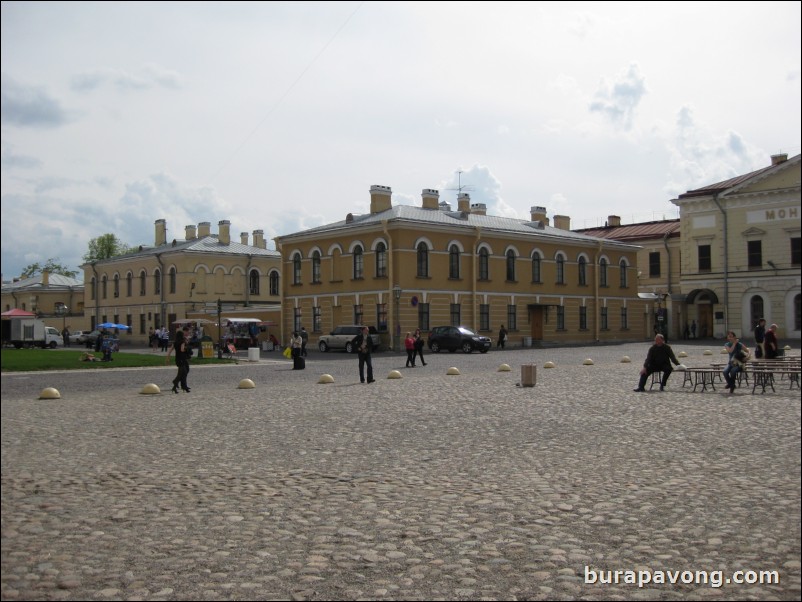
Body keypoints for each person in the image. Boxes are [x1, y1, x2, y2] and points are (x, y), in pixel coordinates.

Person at [166, 326, 191, 393]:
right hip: (182, 359)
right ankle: (177, 383)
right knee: (183, 373)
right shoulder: (182, 341)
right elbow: (182, 350)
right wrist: (187, 348)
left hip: (178, 359)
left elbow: (170, 350)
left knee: (183, 372)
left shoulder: (175, 342)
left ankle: (177, 386)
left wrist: (167, 357)